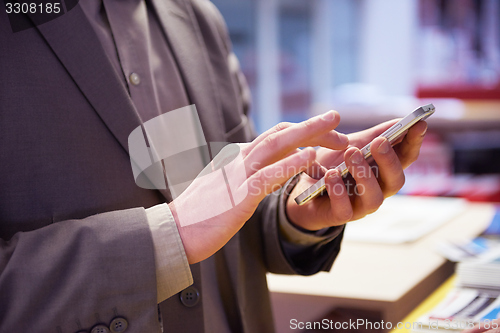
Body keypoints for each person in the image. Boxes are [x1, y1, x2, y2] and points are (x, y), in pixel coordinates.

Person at [0, 0, 427, 332]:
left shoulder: (195, 19)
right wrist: (166, 238)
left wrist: (296, 212)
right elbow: (188, 223)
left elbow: (224, 209)